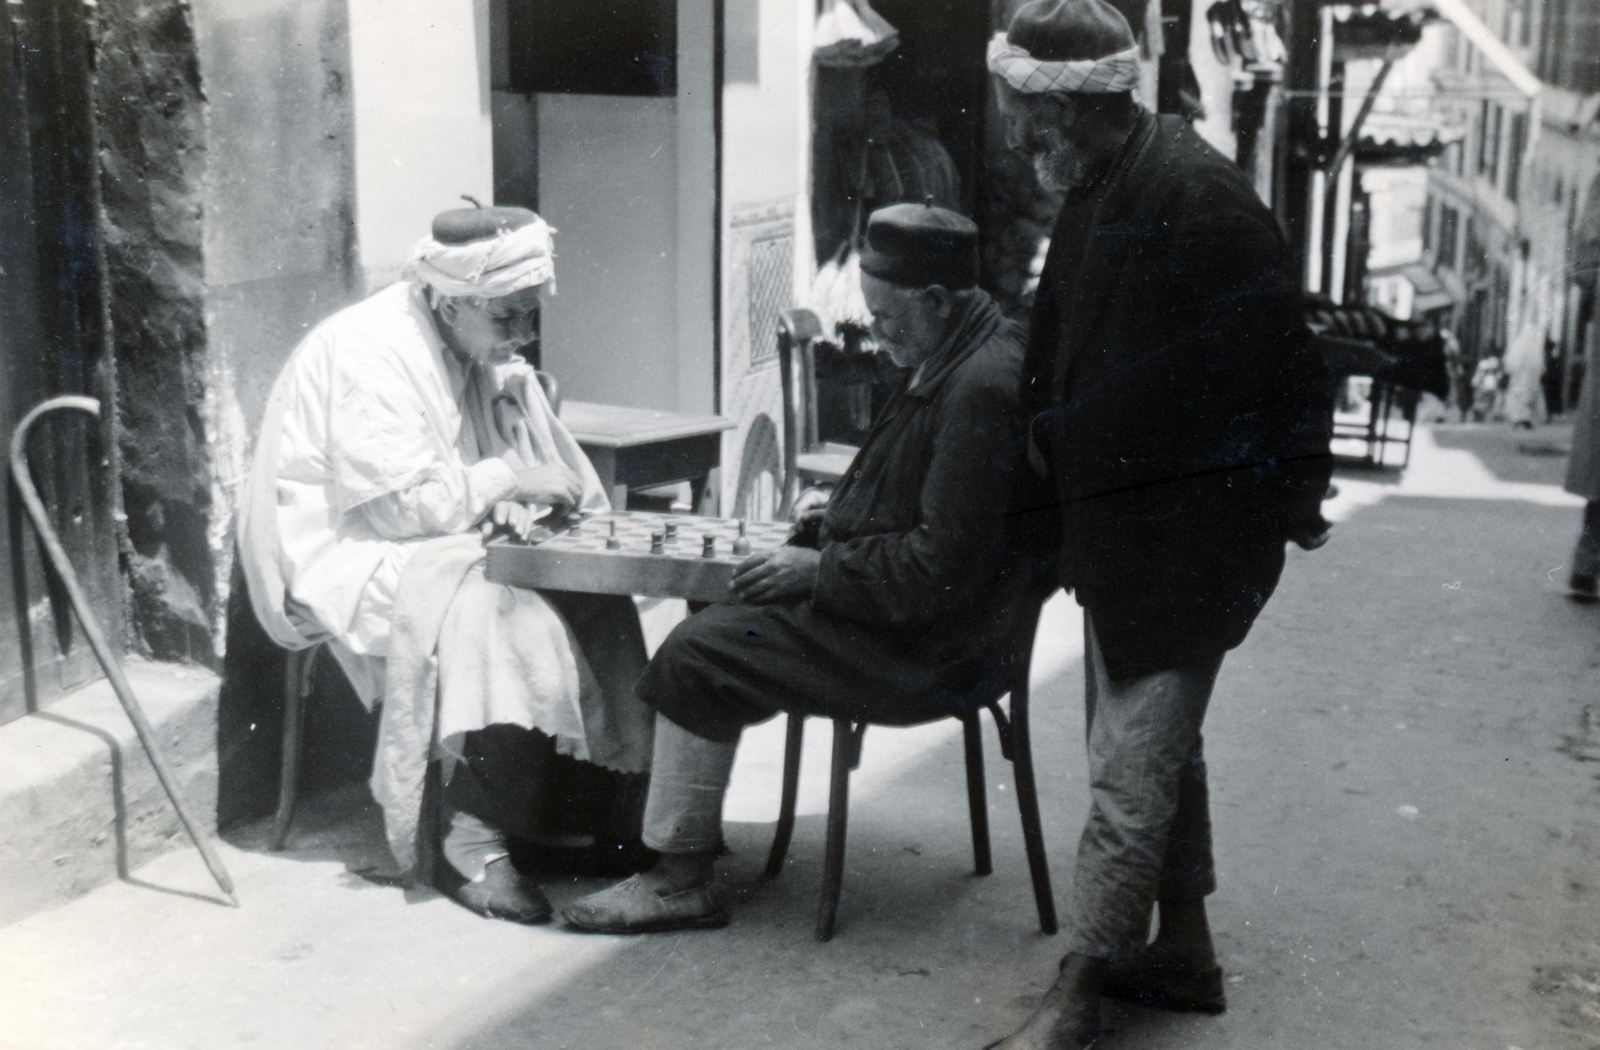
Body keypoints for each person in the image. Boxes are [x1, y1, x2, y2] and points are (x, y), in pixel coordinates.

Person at [986, 1, 1333, 1045]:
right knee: (1153, 747)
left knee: (1129, 762)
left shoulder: (1199, 199)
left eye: (1026, 120)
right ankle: (1182, 953)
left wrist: (1286, 514)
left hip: (1194, 540)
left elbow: (1288, 374)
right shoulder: (1103, 180)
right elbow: (1065, 347)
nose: (1015, 140)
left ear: (1081, 106)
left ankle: (1077, 995)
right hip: (1127, 530)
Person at [559, 202, 1049, 934]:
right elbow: (916, 494)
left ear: (939, 302)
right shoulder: (959, 346)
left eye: (886, 318)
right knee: (713, 608)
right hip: (930, 623)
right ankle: (685, 828)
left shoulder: (978, 384)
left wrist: (815, 573)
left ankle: (676, 880)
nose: (877, 335)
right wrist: (829, 522)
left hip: (936, 649)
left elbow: (935, 570)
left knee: (699, 649)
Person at [237, 205, 655, 924]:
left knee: (590, 583)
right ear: (450, 298)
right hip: (345, 547)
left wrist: (508, 496)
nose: (522, 336)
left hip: (430, 527)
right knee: (500, 605)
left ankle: (579, 812)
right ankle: (469, 838)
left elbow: (459, 477)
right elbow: (400, 509)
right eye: (508, 319)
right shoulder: (372, 352)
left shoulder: (459, 340)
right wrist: (509, 483)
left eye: (529, 316)